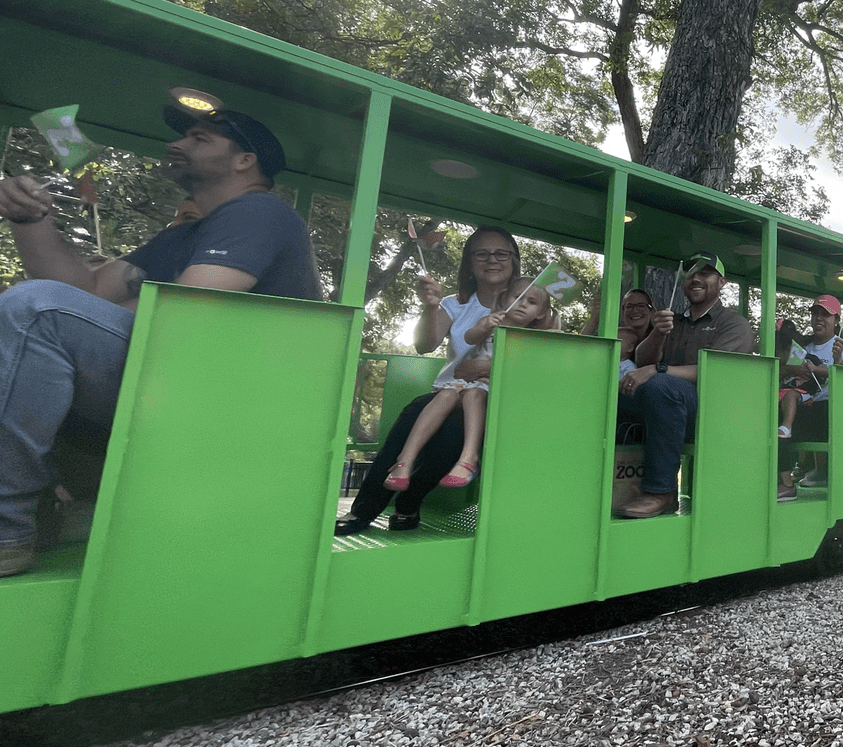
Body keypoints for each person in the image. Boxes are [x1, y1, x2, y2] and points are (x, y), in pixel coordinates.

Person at [0, 106, 321, 577]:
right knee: (31, 311)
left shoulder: (259, 212)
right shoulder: (184, 235)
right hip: (176, 388)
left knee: (35, 310)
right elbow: (80, 291)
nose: (178, 145)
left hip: (230, 408)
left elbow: (185, 316)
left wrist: (82, 314)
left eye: (199, 138)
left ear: (244, 161)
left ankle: (7, 529)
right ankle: (65, 510)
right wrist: (31, 218)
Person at [339, 226, 521, 535]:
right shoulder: (456, 303)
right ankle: (363, 512)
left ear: (514, 261)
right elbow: (426, 344)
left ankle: (409, 503)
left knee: (454, 431)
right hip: (450, 392)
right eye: (482, 253)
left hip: (498, 399)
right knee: (413, 412)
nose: (492, 260)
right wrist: (431, 306)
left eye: (501, 253)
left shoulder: (526, 305)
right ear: (470, 262)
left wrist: (490, 368)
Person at [615, 252, 754, 517]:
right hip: (668, 408)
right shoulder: (673, 321)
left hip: (714, 410)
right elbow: (642, 360)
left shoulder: (734, 324)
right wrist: (658, 332)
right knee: (616, 391)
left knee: (661, 386)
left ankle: (662, 492)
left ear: (722, 282)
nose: (696, 278)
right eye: (691, 272)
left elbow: (717, 370)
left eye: (705, 273)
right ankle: (606, 481)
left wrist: (658, 369)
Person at [384, 278, 554, 492]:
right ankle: (405, 461)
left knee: (474, 394)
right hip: (463, 381)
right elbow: (469, 338)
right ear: (505, 299)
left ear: (539, 313)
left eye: (532, 302)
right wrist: (482, 327)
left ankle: (469, 459)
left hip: (494, 389)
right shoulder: (492, 322)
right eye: (517, 297)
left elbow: (539, 363)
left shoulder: (534, 338)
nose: (522, 304)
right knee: (445, 395)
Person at [777, 295, 843, 500]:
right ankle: (782, 480)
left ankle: (786, 484)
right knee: (769, 414)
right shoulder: (801, 348)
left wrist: (838, 362)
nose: (818, 318)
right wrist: (787, 369)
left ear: (836, 320)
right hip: (801, 406)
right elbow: (784, 376)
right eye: (815, 313)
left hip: (831, 412)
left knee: (778, 418)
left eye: (825, 314)